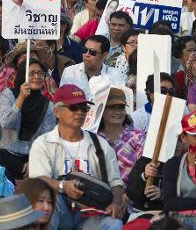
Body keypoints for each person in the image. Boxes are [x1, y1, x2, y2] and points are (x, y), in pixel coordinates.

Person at [28, 84, 124, 230]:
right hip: (59, 212)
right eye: (73, 108)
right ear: (56, 111)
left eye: (84, 108)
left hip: (91, 214)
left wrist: (115, 204)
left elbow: (115, 182)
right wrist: (62, 186)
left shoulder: (101, 144)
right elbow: (38, 179)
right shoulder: (43, 143)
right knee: (51, 198)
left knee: (114, 223)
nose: (80, 112)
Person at [0, 59, 56, 183]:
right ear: (22, 75)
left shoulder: (47, 106)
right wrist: (20, 99)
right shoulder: (9, 94)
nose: (37, 77)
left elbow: (46, 139)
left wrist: (34, 159)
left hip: (30, 160)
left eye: (40, 73)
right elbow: (6, 122)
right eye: (31, 73)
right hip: (5, 154)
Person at [59, 35, 126, 98]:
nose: (87, 54)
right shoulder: (70, 72)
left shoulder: (115, 74)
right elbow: (64, 100)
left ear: (104, 55)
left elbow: (119, 99)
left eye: (92, 52)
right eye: (84, 50)